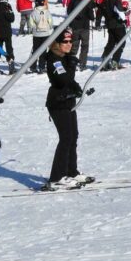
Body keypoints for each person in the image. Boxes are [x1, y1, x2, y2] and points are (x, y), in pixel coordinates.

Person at [42, 28, 92, 191]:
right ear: (57, 43)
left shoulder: (64, 57)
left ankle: (71, 171)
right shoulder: (54, 59)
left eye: (71, 41)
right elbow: (63, 80)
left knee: (73, 137)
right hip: (58, 103)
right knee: (66, 138)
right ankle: (56, 178)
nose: (69, 44)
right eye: (65, 42)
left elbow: (71, 82)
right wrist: (71, 66)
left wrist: (78, 90)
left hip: (68, 102)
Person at [64, 0, 93, 72]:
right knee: (84, 46)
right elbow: (91, 15)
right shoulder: (87, 0)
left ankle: (72, 62)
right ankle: (82, 64)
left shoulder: (73, 0)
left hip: (75, 26)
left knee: (74, 45)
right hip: (85, 27)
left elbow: (69, 11)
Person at [100, 0, 127, 71]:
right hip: (118, 24)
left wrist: (98, 21)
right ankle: (115, 61)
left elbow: (101, 10)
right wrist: (124, 19)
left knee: (111, 42)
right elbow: (119, 10)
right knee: (121, 42)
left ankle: (105, 59)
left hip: (109, 24)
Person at [0, 0, 17, 75]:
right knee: (9, 48)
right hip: (6, 32)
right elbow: (11, 19)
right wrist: (11, 11)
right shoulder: (7, 7)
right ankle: (11, 65)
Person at [28, 0, 53, 74]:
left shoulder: (33, 13)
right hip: (45, 34)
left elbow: (30, 24)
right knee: (43, 51)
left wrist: (35, 29)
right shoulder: (47, 12)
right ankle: (42, 67)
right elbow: (51, 23)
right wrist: (48, 28)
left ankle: (33, 66)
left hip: (36, 34)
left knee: (35, 50)